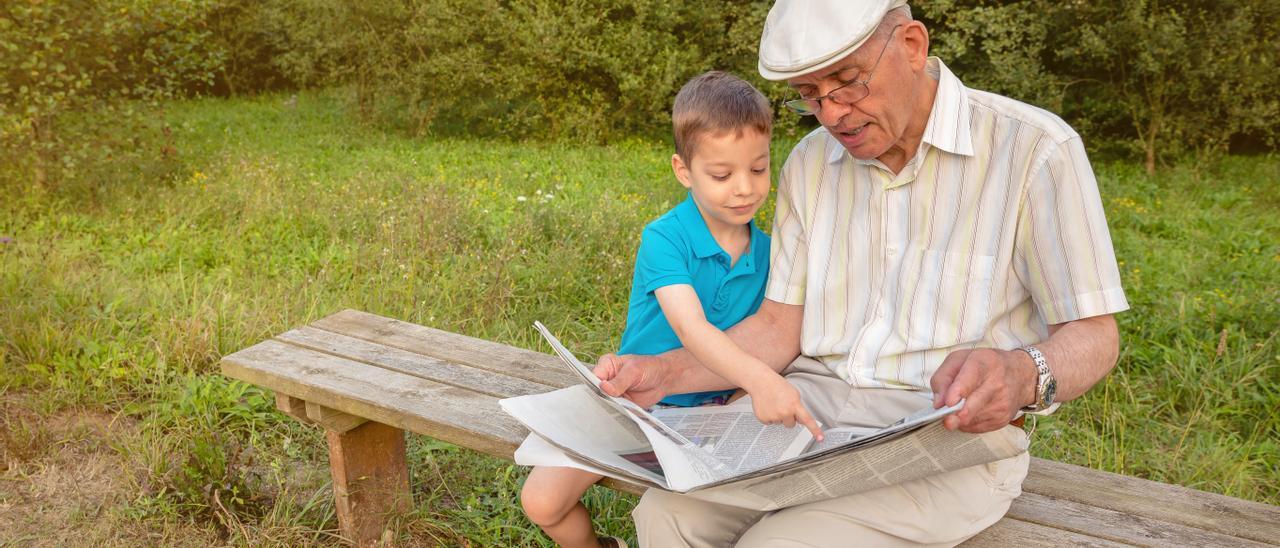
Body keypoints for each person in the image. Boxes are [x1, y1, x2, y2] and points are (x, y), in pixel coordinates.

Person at [594, 1, 1130, 546]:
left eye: (847, 83)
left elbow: (1094, 335)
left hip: (939, 433)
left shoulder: (1035, 150)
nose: (831, 115)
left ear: (912, 46)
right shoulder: (809, 163)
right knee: (667, 514)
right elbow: (778, 327)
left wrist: (1022, 372)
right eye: (809, 95)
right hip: (809, 407)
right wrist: (662, 373)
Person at [519, 70, 822, 548]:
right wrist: (761, 379)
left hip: (716, 407)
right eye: (722, 175)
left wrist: (751, 388)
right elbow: (692, 327)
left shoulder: (774, 251)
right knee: (542, 502)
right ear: (684, 170)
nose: (744, 188)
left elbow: (778, 331)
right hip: (637, 402)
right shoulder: (665, 237)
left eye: (759, 169)